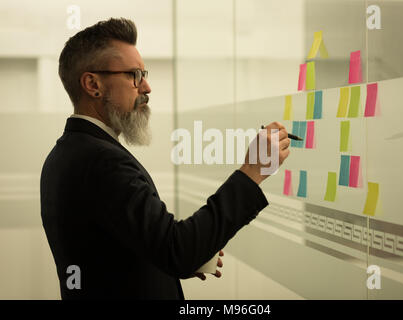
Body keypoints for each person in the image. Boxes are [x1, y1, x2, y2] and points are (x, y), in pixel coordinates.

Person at [40, 18, 290, 300]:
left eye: (143, 74)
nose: (146, 87)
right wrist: (252, 171)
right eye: (134, 75)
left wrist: (177, 256)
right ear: (93, 84)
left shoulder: (69, 151)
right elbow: (177, 250)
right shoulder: (101, 160)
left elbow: (117, 249)